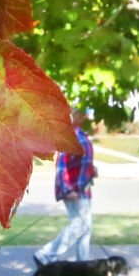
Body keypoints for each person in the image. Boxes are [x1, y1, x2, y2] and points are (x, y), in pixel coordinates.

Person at [36, 110, 95, 265]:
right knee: (79, 225)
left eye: (84, 114)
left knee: (85, 228)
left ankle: (83, 265)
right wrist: (68, 189)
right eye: (79, 114)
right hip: (74, 191)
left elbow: (81, 162)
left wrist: (92, 170)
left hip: (84, 189)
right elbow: (62, 166)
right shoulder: (70, 137)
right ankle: (45, 255)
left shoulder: (81, 134)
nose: (83, 117)